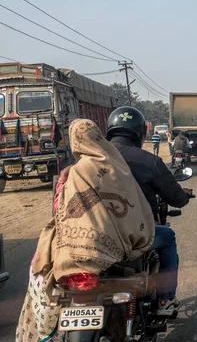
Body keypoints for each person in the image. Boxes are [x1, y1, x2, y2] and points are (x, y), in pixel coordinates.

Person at [16, 119, 155, 341]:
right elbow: (134, 206)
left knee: (39, 272)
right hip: (113, 250)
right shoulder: (116, 167)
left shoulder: (69, 173)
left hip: (72, 254)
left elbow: (58, 211)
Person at [106, 106, 192, 314]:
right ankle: (165, 299)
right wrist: (183, 196)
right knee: (168, 237)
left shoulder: (84, 161)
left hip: (93, 236)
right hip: (134, 235)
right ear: (141, 133)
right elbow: (177, 199)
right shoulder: (149, 161)